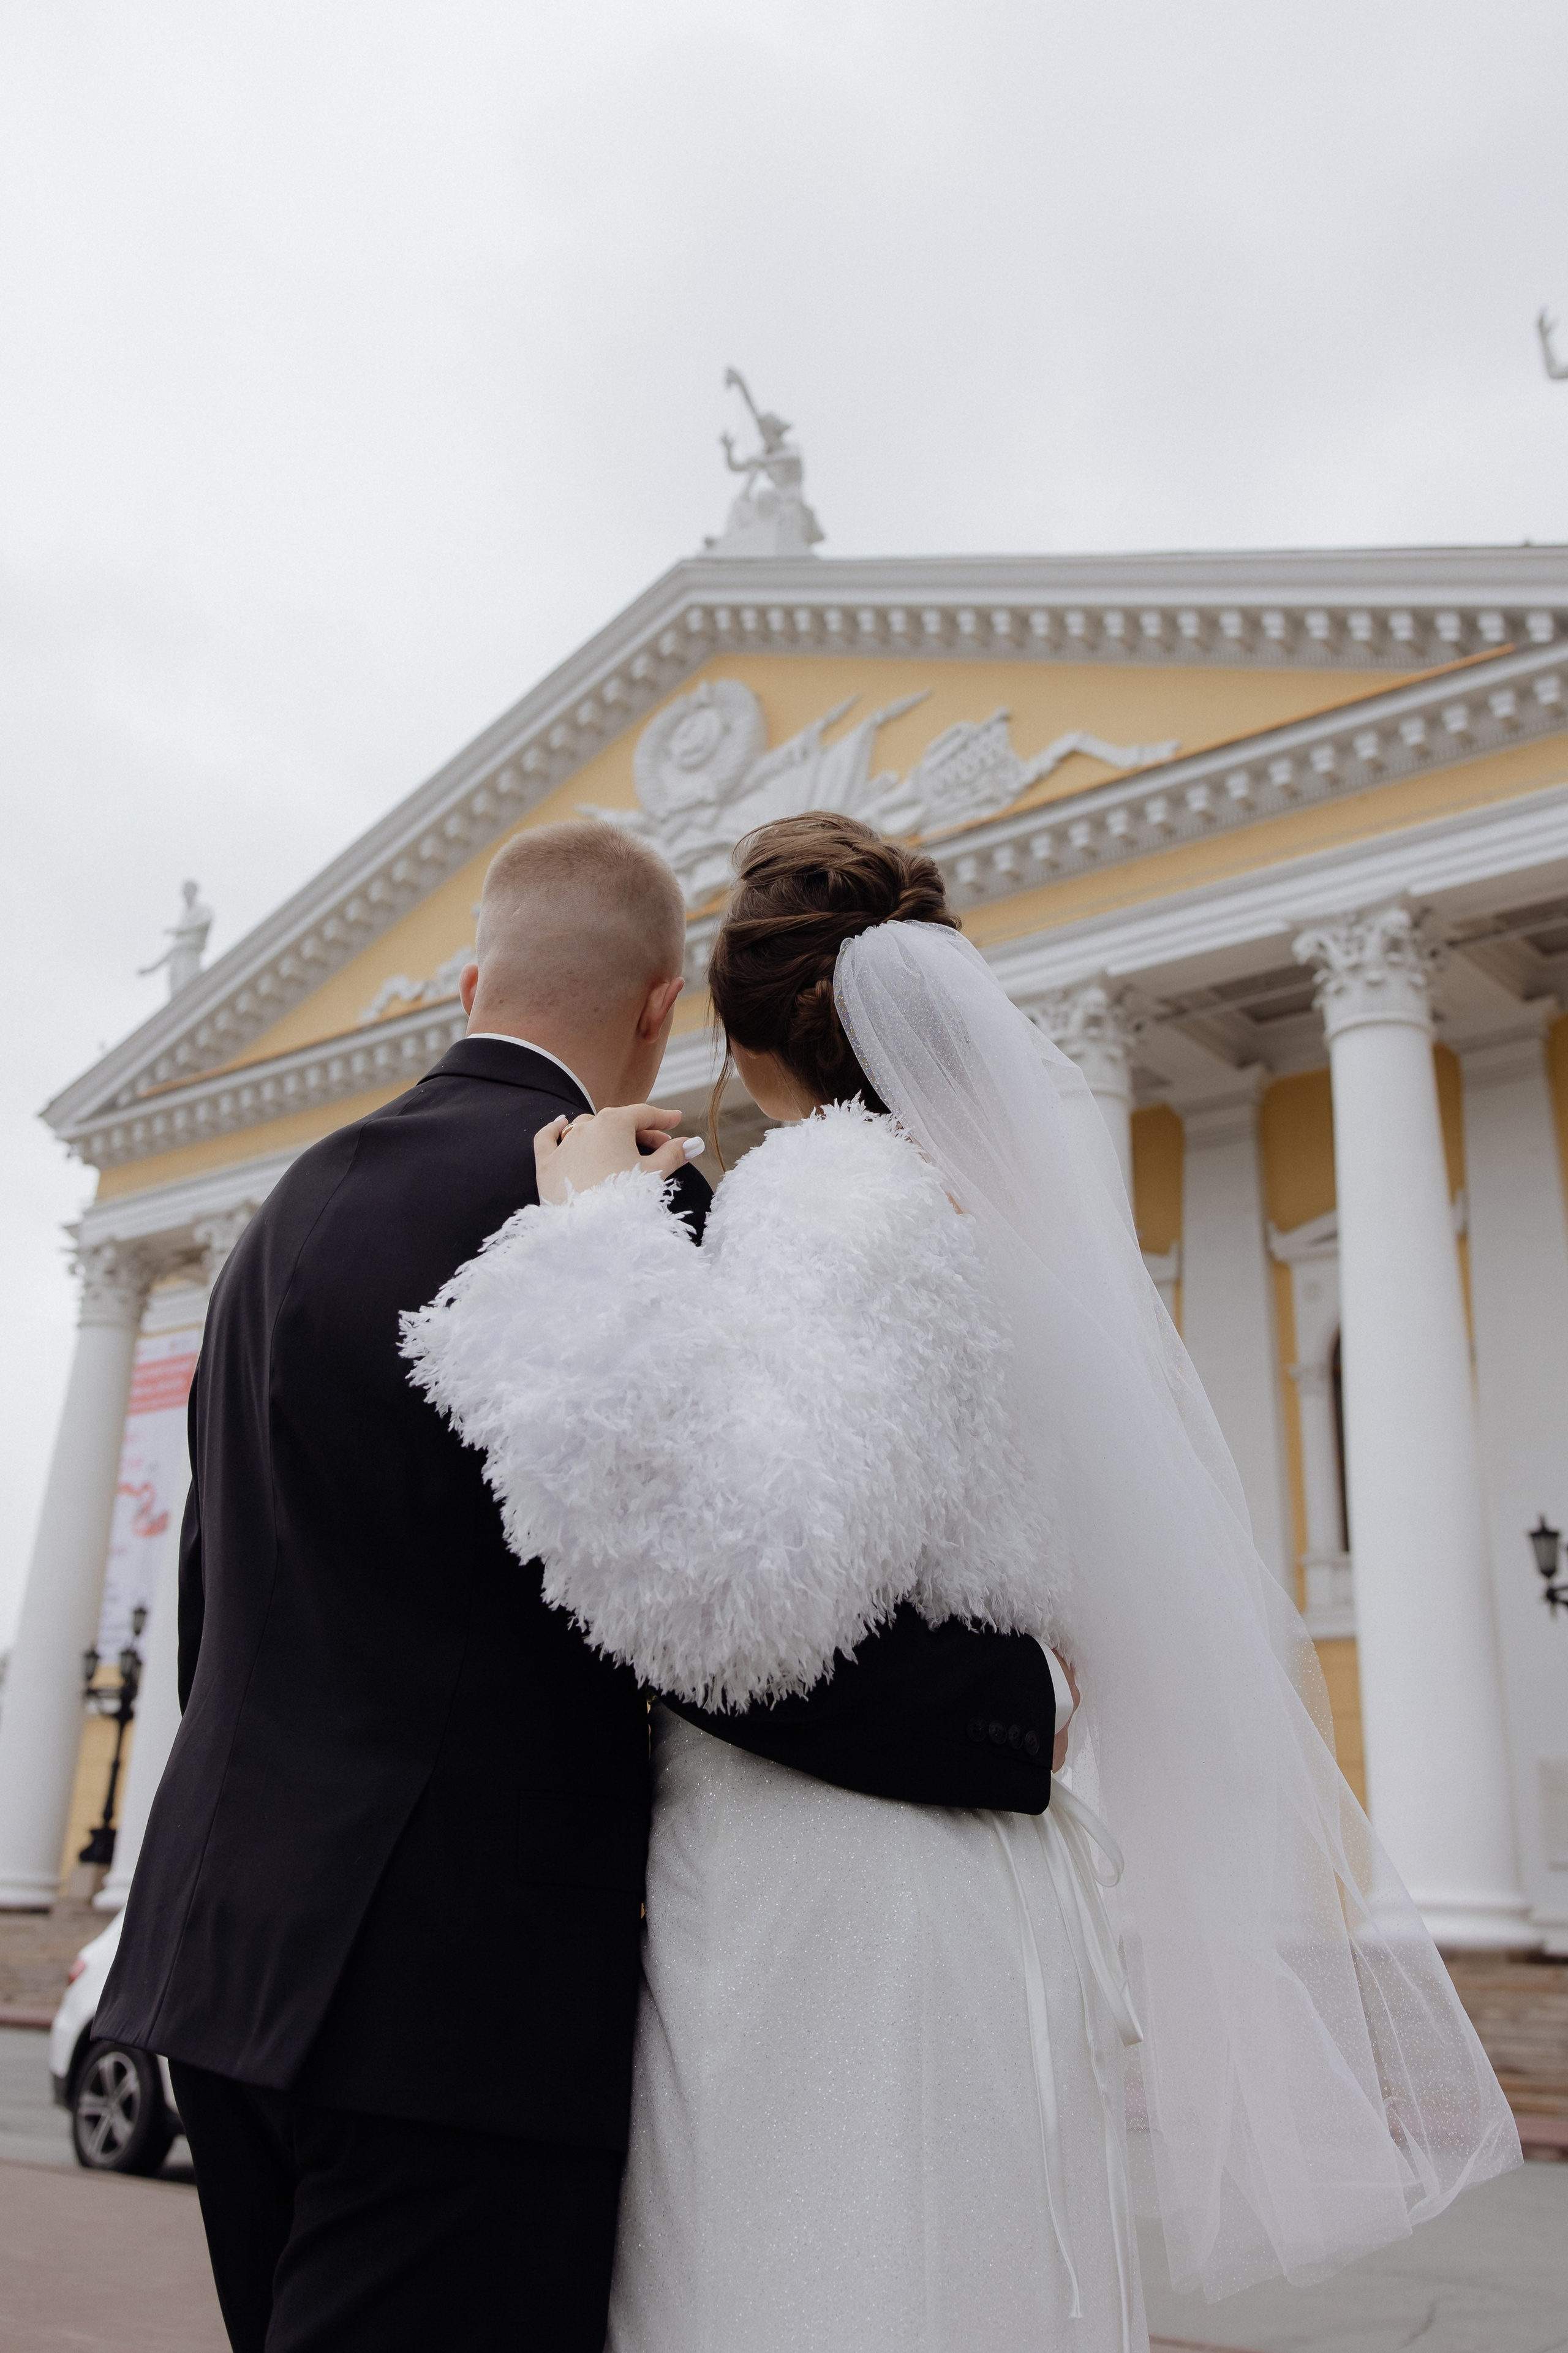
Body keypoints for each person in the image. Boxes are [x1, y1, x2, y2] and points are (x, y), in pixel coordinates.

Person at [407, 812, 1521, 2353]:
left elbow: (745, 1596)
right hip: (967, 1877)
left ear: (732, 1025)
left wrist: (591, 1240)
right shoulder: (980, 1214)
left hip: (821, 1893)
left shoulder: (829, 1199)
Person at [94, 818, 1061, 2353]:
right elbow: (705, 1607)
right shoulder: (626, 1209)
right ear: (662, 1008)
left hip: (217, 1962)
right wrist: (1009, 1709)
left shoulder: (284, 1217)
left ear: (468, 982)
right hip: (460, 2002)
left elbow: (219, 1588)